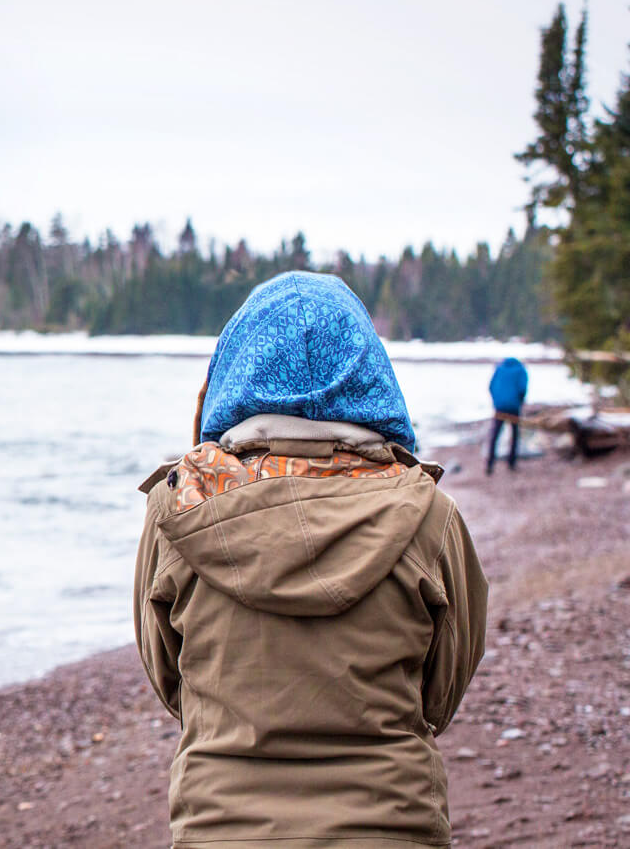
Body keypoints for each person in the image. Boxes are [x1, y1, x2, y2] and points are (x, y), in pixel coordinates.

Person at [133, 272, 487, 849]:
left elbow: (171, 683)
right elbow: (440, 695)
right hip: (391, 827)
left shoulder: (179, 510)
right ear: (370, 370)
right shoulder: (430, 516)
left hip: (222, 827)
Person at [486, 357, 528, 475]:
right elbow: (522, 388)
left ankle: (490, 463)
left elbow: (491, 386)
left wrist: (496, 402)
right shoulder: (521, 370)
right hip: (514, 407)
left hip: (500, 407)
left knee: (495, 435)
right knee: (514, 434)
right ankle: (511, 463)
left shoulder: (499, 369)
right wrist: (519, 402)